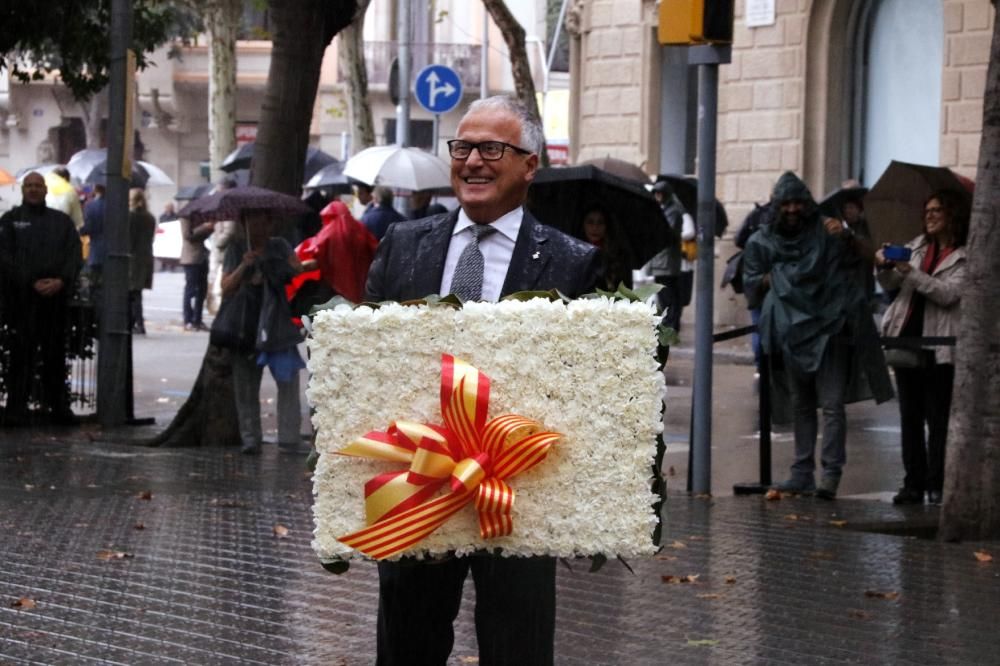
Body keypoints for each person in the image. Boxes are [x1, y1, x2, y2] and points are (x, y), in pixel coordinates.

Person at [365, 94, 601, 665]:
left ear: (529, 164)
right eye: (463, 147)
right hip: (419, 483)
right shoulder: (403, 243)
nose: (473, 161)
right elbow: (365, 353)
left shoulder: (572, 262)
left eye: (492, 148)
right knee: (407, 643)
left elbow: (588, 384)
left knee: (516, 645)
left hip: (516, 492)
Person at [742, 171, 893, 500]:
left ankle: (830, 474)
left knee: (832, 404)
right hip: (791, 335)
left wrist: (849, 235)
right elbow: (751, 285)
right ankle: (802, 472)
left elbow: (872, 259)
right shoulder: (762, 241)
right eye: (787, 203)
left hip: (829, 329)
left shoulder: (828, 233)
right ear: (777, 206)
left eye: (798, 202)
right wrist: (776, 278)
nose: (793, 209)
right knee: (802, 406)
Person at [876, 190, 968, 506]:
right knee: (910, 417)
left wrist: (908, 272)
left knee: (938, 419)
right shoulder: (916, 246)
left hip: (939, 346)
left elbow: (946, 294)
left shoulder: (964, 256)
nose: (929, 215)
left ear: (952, 215)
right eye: (927, 210)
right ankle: (912, 483)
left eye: (937, 210)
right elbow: (890, 287)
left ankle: (937, 483)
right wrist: (885, 267)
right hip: (907, 340)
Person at [220, 211, 305, 455]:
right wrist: (244, 266)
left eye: (262, 220)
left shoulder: (279, 246)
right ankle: (250, 439)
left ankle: (289, 438)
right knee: (245, 387)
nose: (257, 225)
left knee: (288, 381)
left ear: (271, 222)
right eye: (251, 220)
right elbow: (225, 287)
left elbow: (297, 269)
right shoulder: (236, 248)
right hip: (245, 327)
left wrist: (271, 263)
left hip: (277, 326)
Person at [0, 172, 82, 425]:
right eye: (29, 186)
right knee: (20, 356)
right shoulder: (10, 221)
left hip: (54, 301)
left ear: (45, 190)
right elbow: (4, 257)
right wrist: (29, 281)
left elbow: (74, 255)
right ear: (23, 190)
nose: (33, 189)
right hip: (21, 301)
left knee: (55, 356)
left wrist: (61, 281)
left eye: (38, 186)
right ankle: (16, 409)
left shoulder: (61, 223)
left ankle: (57, 409)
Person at [643, 180, 693, 332]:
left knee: (667, 295)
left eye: (660, 193)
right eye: (656, 193)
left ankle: (670, 325)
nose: (657, 197)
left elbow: (665, 232)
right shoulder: (665, 209)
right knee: (668, 294)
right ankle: (671, 324)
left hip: (665, 261)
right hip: (662, 260)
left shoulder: (672, 210)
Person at [576, 202, 632, 289]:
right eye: (590, 222)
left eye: (600, 222)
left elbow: (625, 286)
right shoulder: (575, 252)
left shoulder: (618, 255)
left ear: (607, 226)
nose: (595, 227)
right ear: (583, 225)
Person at [205, 178, 237, 315]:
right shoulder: (224, 207)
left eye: (219, 190)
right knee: (216, 282)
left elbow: (230, 230)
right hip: (220, 251)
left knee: (220, 284)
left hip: (223, 252)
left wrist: (218, 243)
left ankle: (221, 310)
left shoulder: (229, 207)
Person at [128, 188, 156, 335]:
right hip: (145, 256)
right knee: (137, 293)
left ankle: (136, 323)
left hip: (132, 259)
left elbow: (128, 239)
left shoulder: (130, 216)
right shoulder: (150, 217)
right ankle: (137, 322)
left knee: (131, 293)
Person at [179, 213, 214, 331]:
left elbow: (203, 235)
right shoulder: (185, 216)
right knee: (191, 289)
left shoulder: (200, 216)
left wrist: (209, 229)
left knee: (202, 290)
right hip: (191, 257)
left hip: (202, 257)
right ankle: (188, 319)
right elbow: (188, 235)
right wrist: (205, 227)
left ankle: (197, 319)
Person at [80, 183, 106, 291]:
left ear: (96, 189)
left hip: (96, 251)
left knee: (95, 285)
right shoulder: (118, 205)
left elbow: (86, 229)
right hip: (114, 253)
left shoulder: (90, 206)